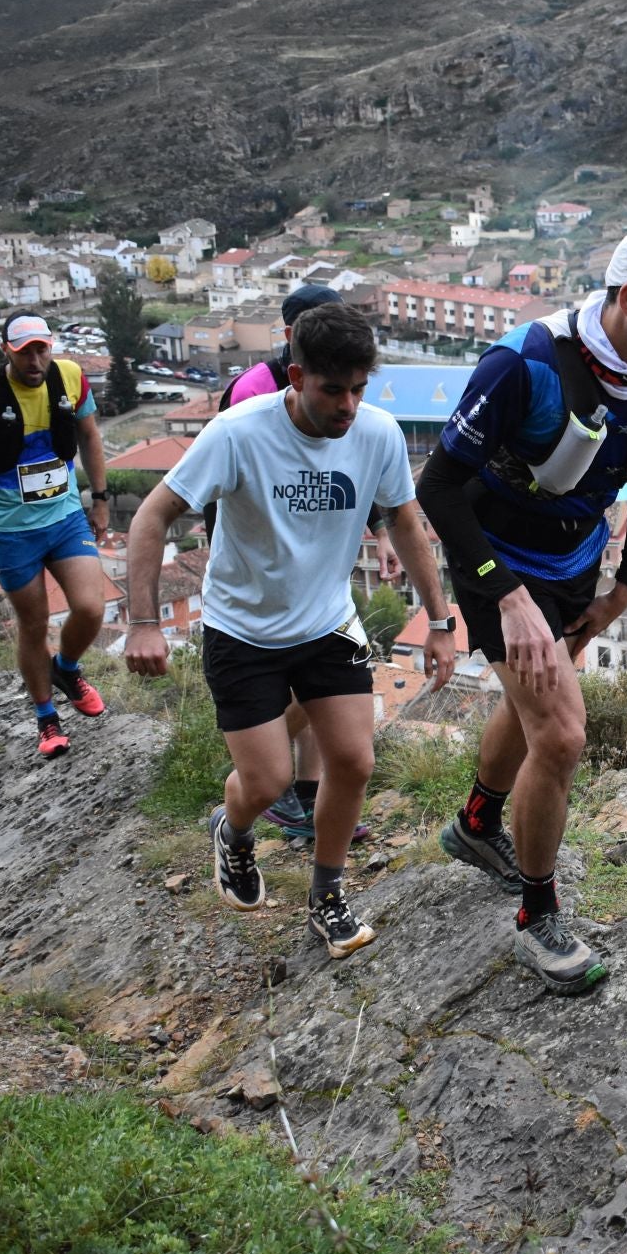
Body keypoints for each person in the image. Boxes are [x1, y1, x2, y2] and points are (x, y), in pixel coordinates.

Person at [416, 222, 627, 994]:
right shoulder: (524, 364)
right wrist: (507, 597)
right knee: (563, 734)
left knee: (538, 706)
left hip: (575, 559)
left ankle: (475, 827)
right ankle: (539, 917)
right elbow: (437, 487)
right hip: (494, 554)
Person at [123, 302, 456, 960]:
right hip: (241, 630)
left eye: (360, 389)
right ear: (297, 376)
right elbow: (151, 518)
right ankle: (234, 826)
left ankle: (326, 896)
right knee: (269, 780)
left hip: (327, 622)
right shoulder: (238, 433)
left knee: (356, 761)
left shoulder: (379, 435)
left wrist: (441, 620)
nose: (349, 407)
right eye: (334, 390)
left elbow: (406, 522)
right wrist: (141, 621)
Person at [212, 283, 394, 846]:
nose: (347, 400)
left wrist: (379, 531)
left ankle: (312, 803)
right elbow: (236, 474)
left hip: (324, 585)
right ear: (293, 341)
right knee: (289, 716)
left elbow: (356, 470)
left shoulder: (359, 412)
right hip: (264, 572)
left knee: (330, 704)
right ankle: (270, 790)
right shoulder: (252, 393)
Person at [0, 314, 111, 759]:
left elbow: (91, 435)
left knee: (90, 607)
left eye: (42, 348)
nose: (35, 359)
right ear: (7, 350)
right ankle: (46, 717)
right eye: (25, 351)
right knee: (34, 624)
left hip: (63, 517)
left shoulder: (72, 378)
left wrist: (100, 498)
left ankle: (67, 669)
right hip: (10, 530)